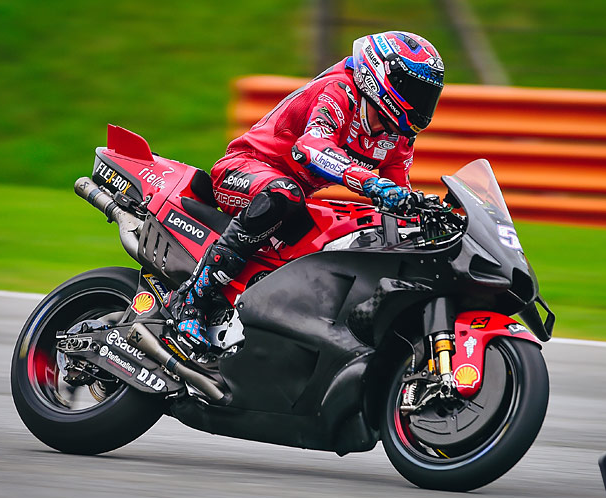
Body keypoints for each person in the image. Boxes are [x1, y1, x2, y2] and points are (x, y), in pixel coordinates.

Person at [166, 30, 445, 356]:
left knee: (350, 228)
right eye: (415, 90)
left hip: (295, 194)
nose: (422, 103)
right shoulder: (340, 91)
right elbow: (311, 147)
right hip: (243, 168)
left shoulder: (399, 136)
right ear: (383, 78)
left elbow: (398, 192)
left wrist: (422, 214)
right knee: (284, 195)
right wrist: (370, 183)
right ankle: (192, 298)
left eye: (429, 94)